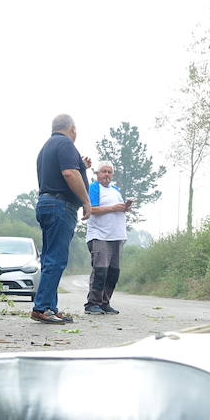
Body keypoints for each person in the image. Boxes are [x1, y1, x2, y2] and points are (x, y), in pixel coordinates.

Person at [31, 114, 91, 324]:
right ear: (72, 128)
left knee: (50, 259)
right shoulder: (65, 143)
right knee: (56, 259)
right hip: (60, 206)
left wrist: (81, 166)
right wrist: (86, 201)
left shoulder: (47, 146)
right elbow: (68, 174)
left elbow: (66, 171)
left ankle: (50, 306)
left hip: (47, 203)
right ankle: (42, 308)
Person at [83, 162, 132, 315]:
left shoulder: (116, 190)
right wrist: (113, 208)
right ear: (97, 173)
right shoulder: (94, 187)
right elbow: (91, 209)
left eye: (109, 172)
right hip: (99, 235)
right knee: (100, 270)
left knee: (113, 272)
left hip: (116, 236)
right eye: (103, 171)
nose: (106, 175)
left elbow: (118, 209)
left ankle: (105, 302)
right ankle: (92, 303)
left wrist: (125, 207)